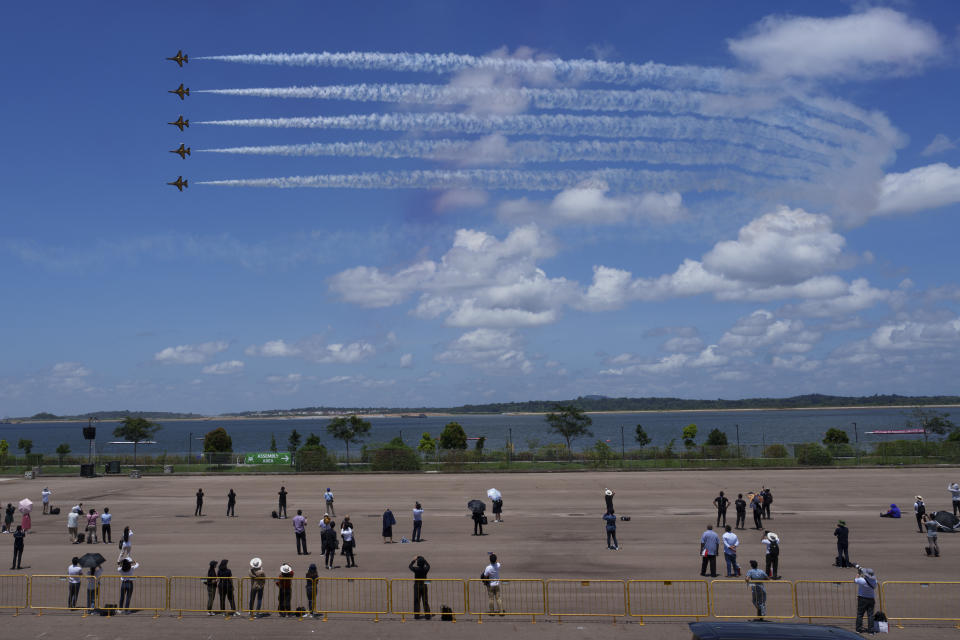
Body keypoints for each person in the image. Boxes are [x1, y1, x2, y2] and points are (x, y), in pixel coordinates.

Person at [854, 566, 878, 634]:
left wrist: (858, 573)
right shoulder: (874, 581)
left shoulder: (862, 580)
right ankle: (871, 630)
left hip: (862, 598)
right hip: (871, 599)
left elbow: (855, 580)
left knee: (860, 614)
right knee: (870, 615)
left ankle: (858, 629)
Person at [409, 555, 431, 619]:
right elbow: (428, 566)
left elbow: (410, 566)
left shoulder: (416, 569)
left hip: (417, 585)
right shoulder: (425, 569)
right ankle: (427, 615)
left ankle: (416, 615)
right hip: (424, 585)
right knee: (425, 601)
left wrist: (414, 560)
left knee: (416, 600)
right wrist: (424, 560)